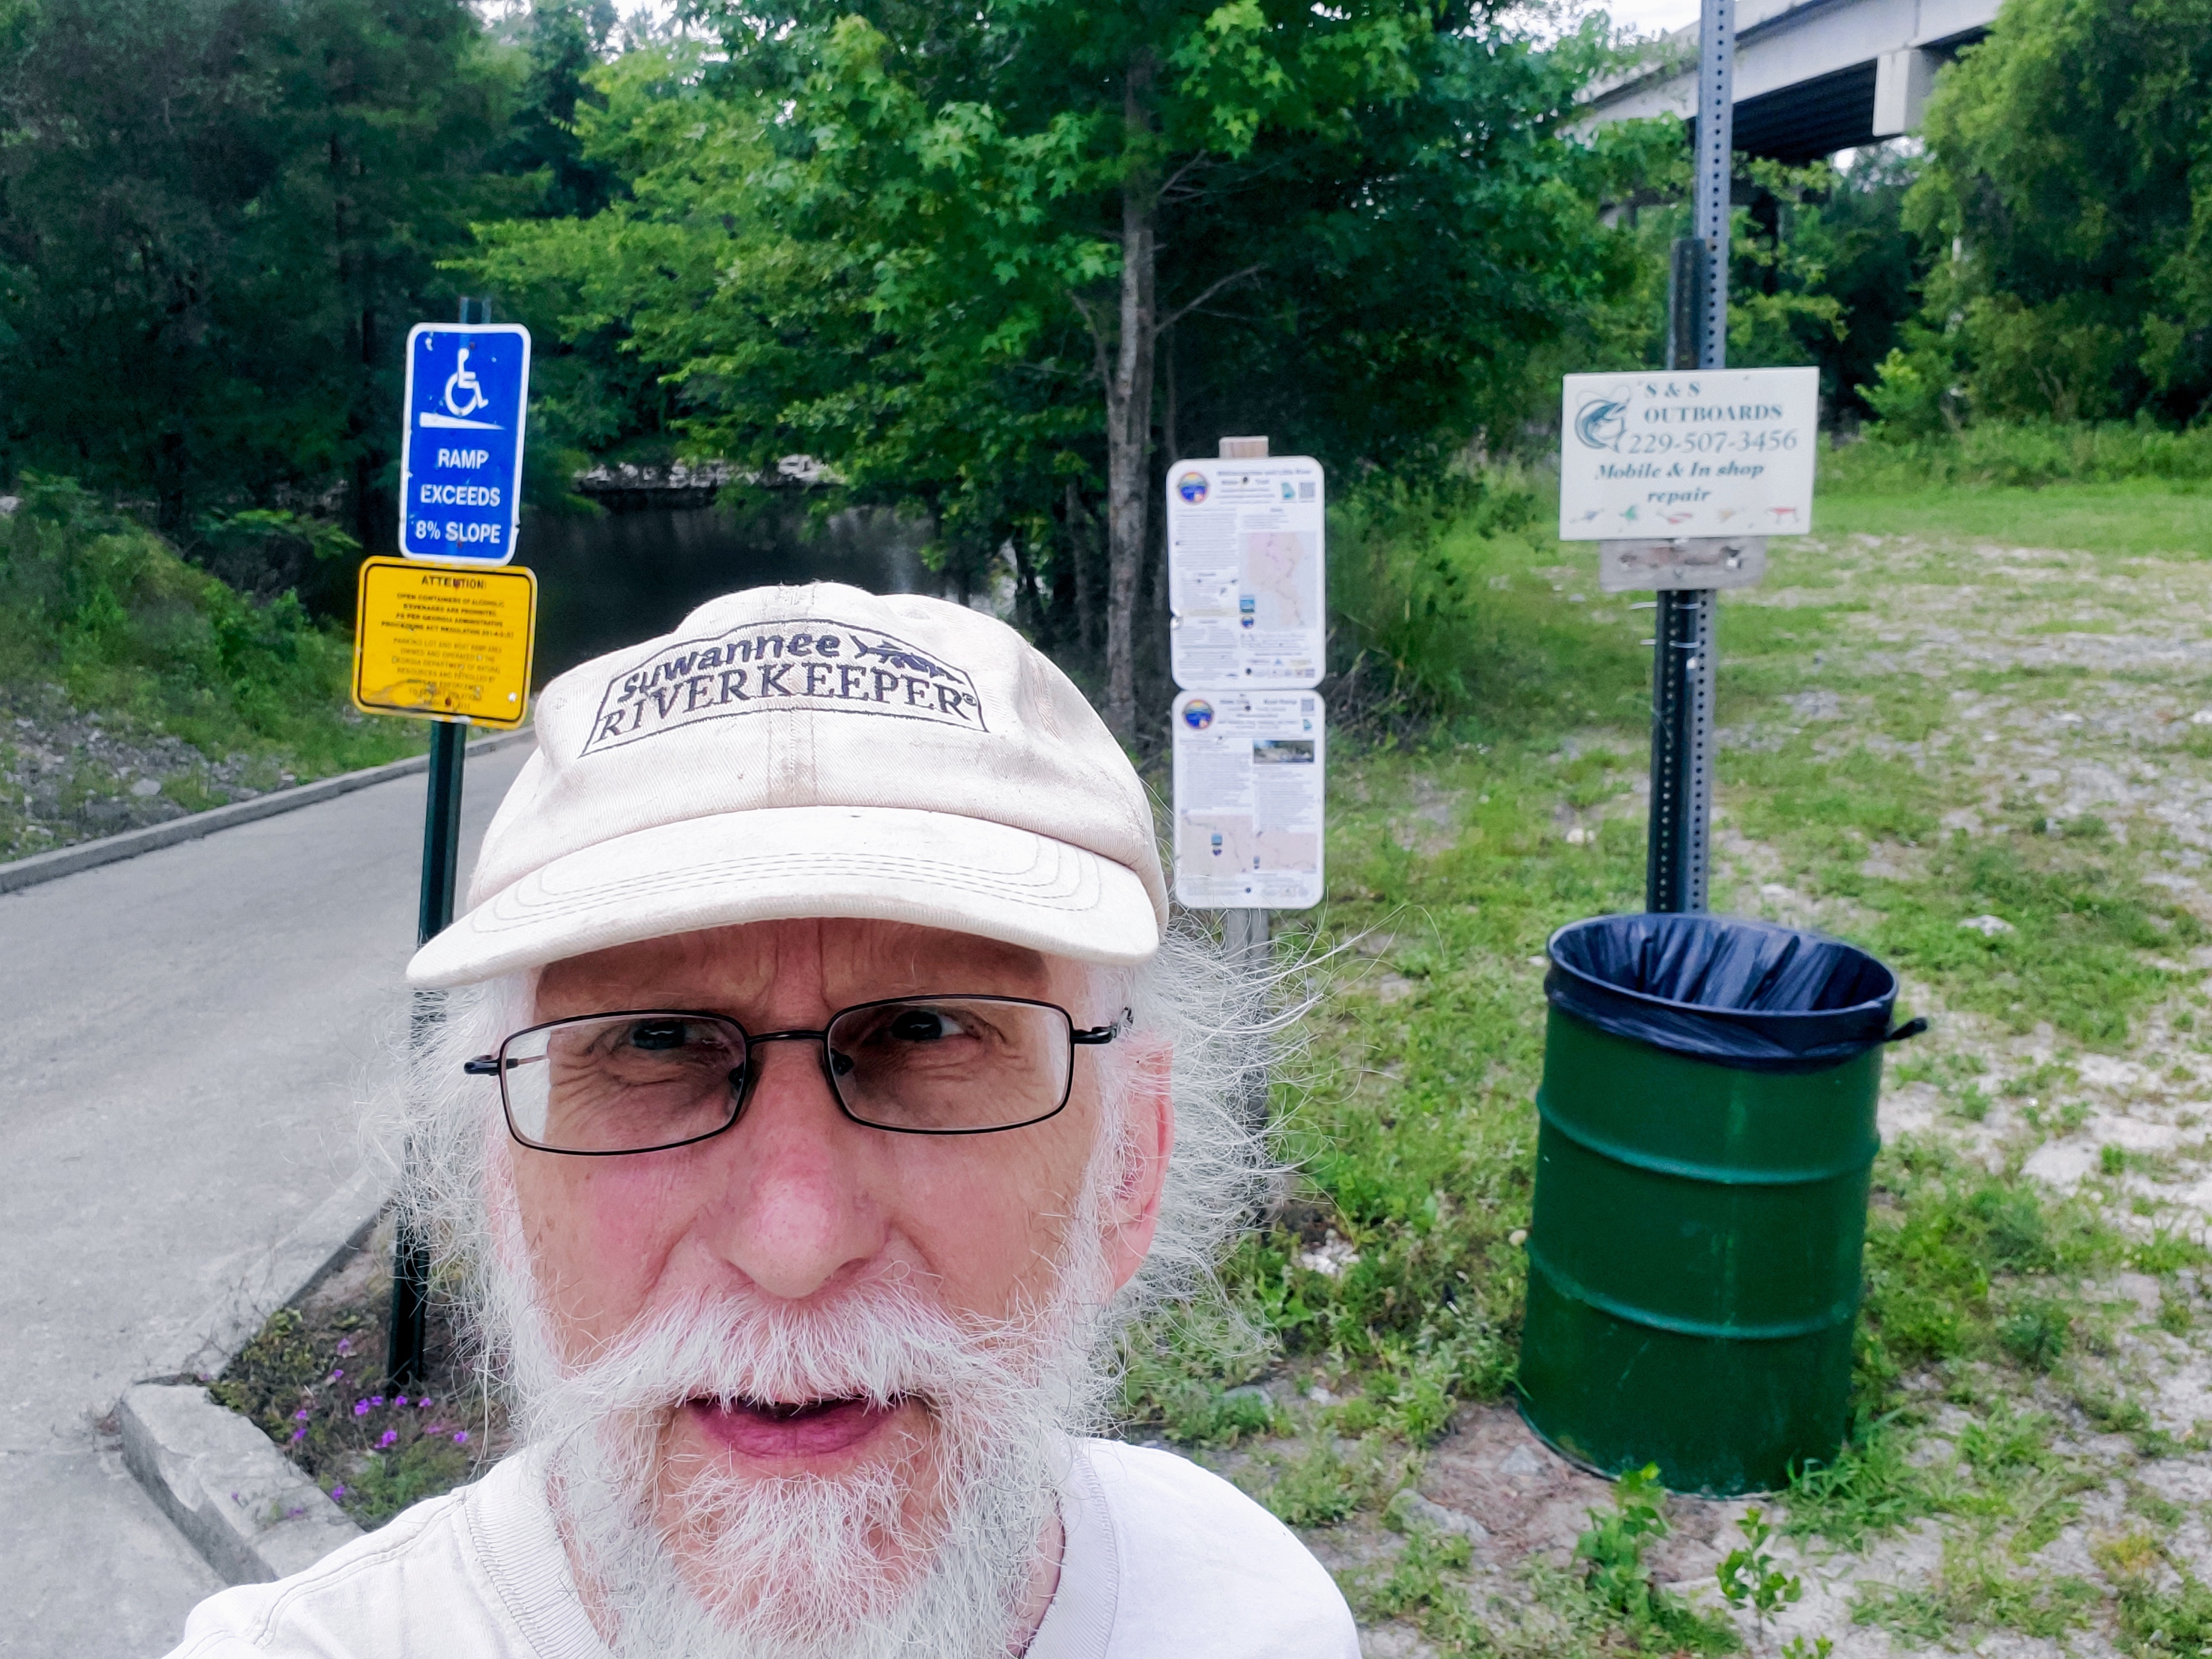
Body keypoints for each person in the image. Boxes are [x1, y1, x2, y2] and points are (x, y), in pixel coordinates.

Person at [163, 584, 1358, 1659]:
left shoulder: (1259, 1617)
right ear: (500, 1186)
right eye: (653, 1043)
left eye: (932, 1034)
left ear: (1129, 1169)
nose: (793, 1247)